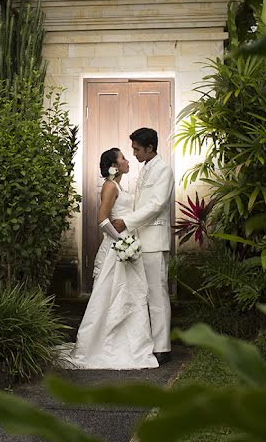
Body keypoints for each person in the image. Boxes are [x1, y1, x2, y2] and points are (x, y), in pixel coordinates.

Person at [61, 147, 158, 370]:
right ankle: (100, 345)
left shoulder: (119, 185)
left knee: (130, 294)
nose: (127, 160)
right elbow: (103, 220)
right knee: (109, 295)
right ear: (114, 166)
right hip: (118, 249)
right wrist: (122, 243)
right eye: (123, 158)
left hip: (126, 247)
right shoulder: (109, 186)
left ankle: (130, 344)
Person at [112, 128, 174, 365]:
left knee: (158, 294)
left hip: (155, 242)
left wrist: (126, 221)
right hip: (139, 241)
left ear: (150, 148)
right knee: (143, 294)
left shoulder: (164, 170)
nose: (134, 153)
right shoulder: (144, 169)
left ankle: (163, 347)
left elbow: (157, 204)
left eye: (137, 149)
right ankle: (148, 343)